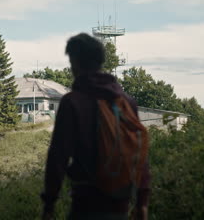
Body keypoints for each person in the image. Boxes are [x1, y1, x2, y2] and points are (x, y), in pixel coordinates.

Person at [41, 33, 150, 220]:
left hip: (86, 204)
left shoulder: (72, 102)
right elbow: (139, 152)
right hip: (121, 204)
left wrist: (49, 204)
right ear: (100, 61)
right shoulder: (125, 102)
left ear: (75, 62)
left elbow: (58, 156)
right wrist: (142, 203)